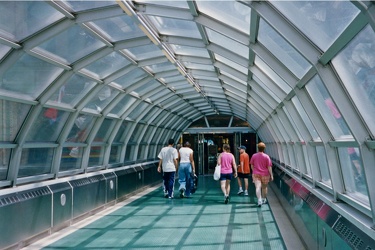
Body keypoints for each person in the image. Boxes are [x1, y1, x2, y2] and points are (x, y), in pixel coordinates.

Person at [250, 142, 273, 207]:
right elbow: (269, 166)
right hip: (265, 174)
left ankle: (259, 199)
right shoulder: (266, 156)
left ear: (258, 148)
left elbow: (252, 165)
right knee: (264, 188)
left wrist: (254, 171)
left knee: (257, 187)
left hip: (256, 173)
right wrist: (271, 175)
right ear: (264, 148)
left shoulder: (254, 156)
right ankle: (263, 199)